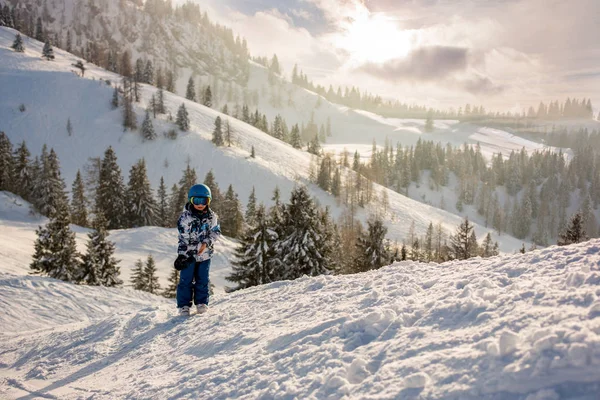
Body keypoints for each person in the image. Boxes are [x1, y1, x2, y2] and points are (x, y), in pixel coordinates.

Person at [174, 183, 221, 316]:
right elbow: (183, 238)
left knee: (202, 279)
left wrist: (206, 242)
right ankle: (184, 306)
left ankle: (201, 303)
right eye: (197, 201)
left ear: (209, 201)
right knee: (186, 279)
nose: (200, 204)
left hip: (205, 255)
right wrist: (182, 255)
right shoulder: (185, 218)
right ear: (191, 200)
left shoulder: (212, 217)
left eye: (204, 201)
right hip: (189, 255)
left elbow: (216, 232)